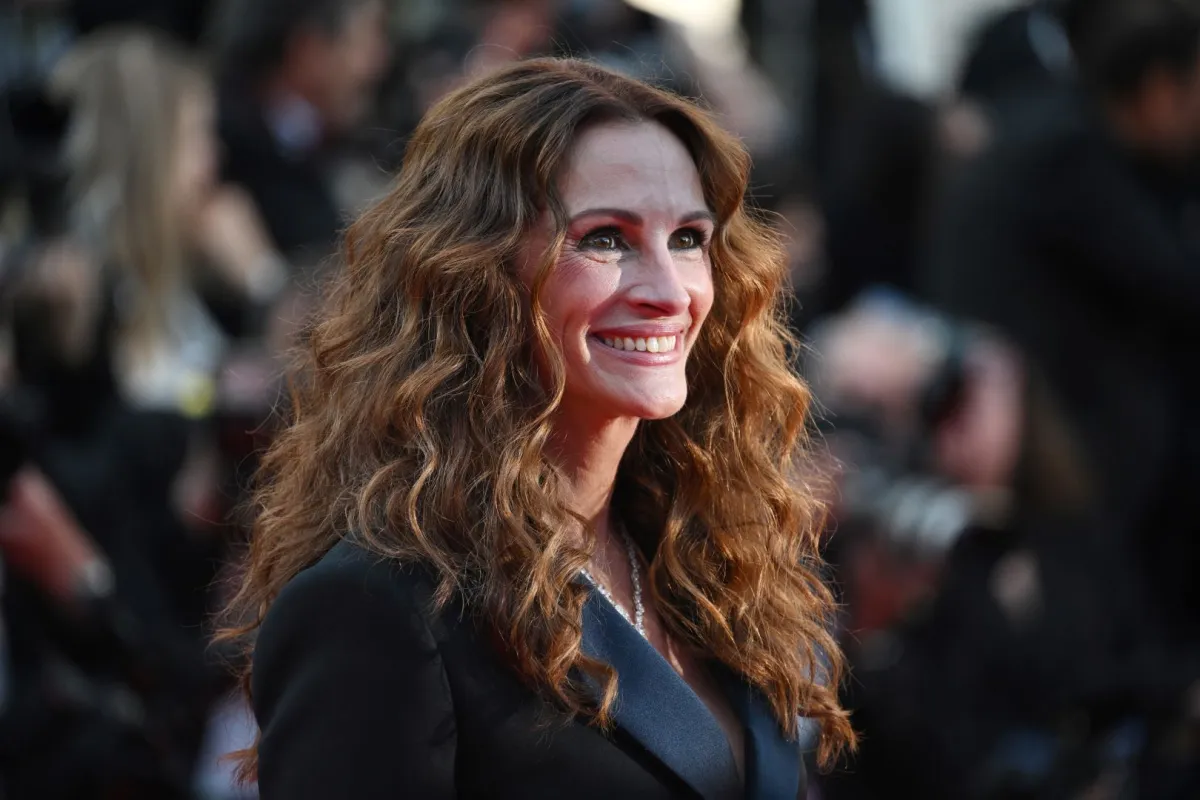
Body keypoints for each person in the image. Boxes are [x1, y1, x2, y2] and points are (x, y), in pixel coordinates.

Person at [220, 58, 856, 799]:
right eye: (607, 239)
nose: (668, 292)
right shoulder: (377, 610)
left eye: (688, 239)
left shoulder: (711, 561)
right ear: (476, 274)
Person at [209, 0, 390, 267]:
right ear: (309, 51)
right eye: (365, 40)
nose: (379, 62)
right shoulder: (230, 154)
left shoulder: (327, 145)